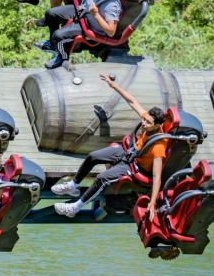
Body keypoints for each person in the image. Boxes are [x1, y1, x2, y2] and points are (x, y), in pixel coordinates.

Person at [53, 75, 167, 220]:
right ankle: (73, 185)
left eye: (148, 122)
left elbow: (157, 177)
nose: (144, 123)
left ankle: (74, 207)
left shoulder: (159, 146)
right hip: (129, 153)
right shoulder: (149, 120)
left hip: (135, 166)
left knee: (101, 178)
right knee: (93, 156)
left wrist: (152, 202)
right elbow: (132, 102)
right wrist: (113, 86)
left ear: (157, 126)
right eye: (144, 119)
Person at [37, 0, 121, 69]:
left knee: (58, 36)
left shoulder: (112, 5)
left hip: (89, 25)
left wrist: (96, 15)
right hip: (81, 11)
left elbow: (111, 31)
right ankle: (52, 44)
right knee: (50, 14)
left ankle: (62, 57)